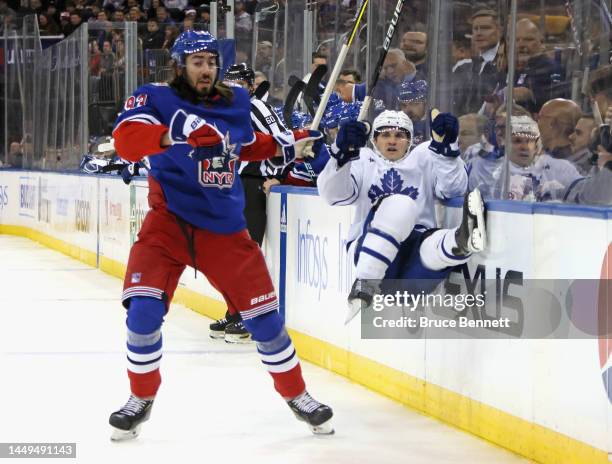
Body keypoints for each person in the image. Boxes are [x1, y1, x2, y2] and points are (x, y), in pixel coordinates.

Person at [108, 31, 333, 440]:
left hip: (224, 228)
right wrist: (174, 133)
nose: (207, 69)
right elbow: (125, 142)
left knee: (266, 323)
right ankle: (140, 399)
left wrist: (290, 144)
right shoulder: (154, 97)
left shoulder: (235, 101)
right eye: (197, 62)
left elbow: (244, 147)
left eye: (211, 62)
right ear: (180, 65)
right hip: (168, 224)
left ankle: (298, 395)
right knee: (142, 316)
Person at [317, 110, 486, 320]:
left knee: (429, 247)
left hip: (411, 272)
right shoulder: (362, 159)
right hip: (369, 253)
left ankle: (460, 241)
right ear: (375, 140)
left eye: (400, 135)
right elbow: (333, 196)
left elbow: (454, 189)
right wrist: (340, 157)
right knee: (401, 205)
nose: (392, 141)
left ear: (410, 140)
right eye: (385, 135)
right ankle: (365, 281)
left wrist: (447, 152)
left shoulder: (424, 156)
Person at [208, 62, 289, 343]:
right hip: (228, 190)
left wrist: (280, 175)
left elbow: (282, 140)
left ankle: (250, 315)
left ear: (250, 87)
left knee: (246, 254)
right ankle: (236, 311)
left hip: (252, 185)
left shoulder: (256, 108)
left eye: (238, 86)